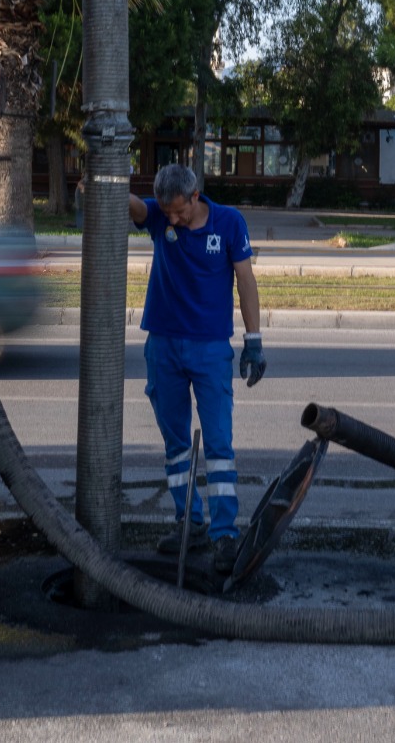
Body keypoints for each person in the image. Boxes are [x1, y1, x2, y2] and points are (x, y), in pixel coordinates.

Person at [128, 163, 266, 576]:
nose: (172, 219)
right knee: (176, 446)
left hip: (210, 350)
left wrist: (253, 341)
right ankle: (190, 521)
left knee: (220, 446)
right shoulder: (158, 216)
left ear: (195, 196)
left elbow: (245, 280)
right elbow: (135, 207)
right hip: (163, 345)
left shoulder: (228, 222)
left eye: (178, 212)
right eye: (166, 213)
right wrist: (106, 181)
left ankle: (224, 533)